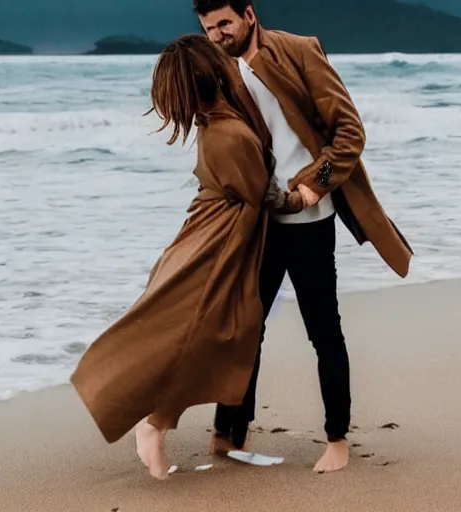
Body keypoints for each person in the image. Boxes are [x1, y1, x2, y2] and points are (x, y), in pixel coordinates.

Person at [70, 34, 305, 481]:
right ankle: (155, 424)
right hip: (217, 246)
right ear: (215, 75)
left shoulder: (215, 127)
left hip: (200, 239)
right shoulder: (232, 132)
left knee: (195, 333)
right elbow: (263, 195)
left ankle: (163, 425)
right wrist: (305, 196)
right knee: (199, 336)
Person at [194, 0, 414, 473]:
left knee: (323, 331)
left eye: (225, 24)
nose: (217, 36)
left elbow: (350, 131)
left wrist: (314, 185)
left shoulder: (297, 51)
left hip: (310, 222)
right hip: (257, 222)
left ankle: (337, 438)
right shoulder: (218, 70)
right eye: (208, 28)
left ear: (249, 14)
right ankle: (229, 433)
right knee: (243, 329)